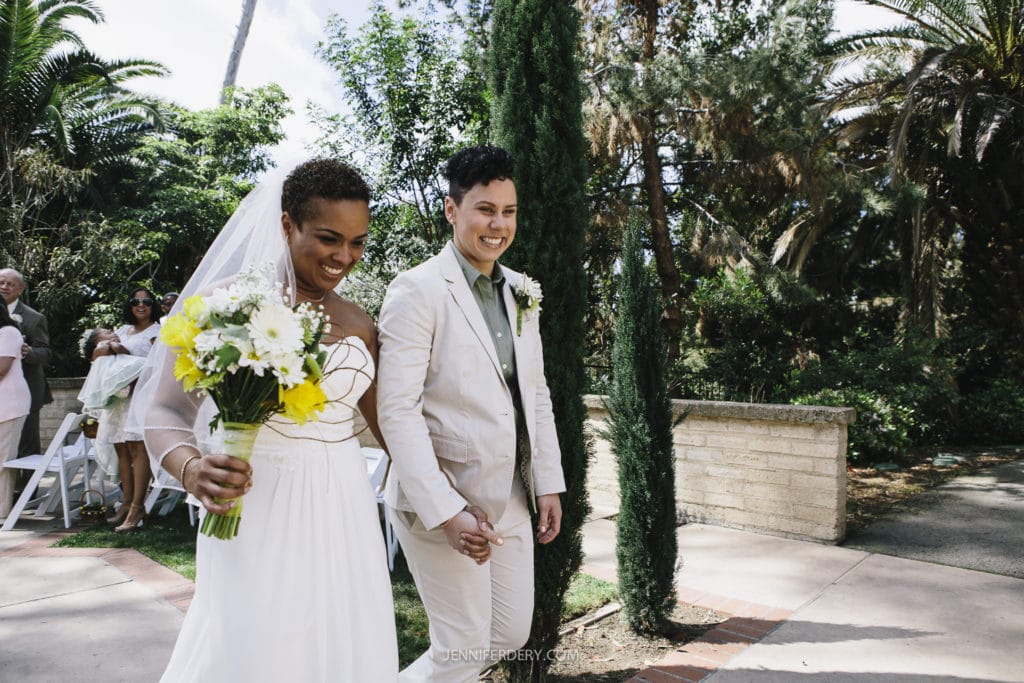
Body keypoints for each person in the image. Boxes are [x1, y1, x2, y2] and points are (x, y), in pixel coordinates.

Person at [132, 159, 403, 681]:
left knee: (343, 640)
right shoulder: (223, 305)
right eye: (329, 238)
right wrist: (192, 469)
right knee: (253, 645)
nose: (344, 257)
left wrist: (456, 488)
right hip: (254, 501)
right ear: (286, 225)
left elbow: (394, 429)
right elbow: (163, 409)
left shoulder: (361, 324)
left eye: (357, 242)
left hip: (344, 506)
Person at [376, 144, 566, 682]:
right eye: (484, 209)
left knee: (509, 633)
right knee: (460, 647)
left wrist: (547, 482)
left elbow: (537, 393)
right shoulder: (417, 290)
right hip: (441, 496)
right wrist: (445, 510)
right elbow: (397, 412)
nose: (497, 225)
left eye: (508, 212)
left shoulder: (522, 291)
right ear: (451, 210)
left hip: (511, 494)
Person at [94, 289, 161, 531]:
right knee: (121, 450)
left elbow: (159, 366)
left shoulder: (158, 332)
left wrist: (123, 354)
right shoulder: (122, 331)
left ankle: (137, 507)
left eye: (146, 301)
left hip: (140, 397)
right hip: (119, 400)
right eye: (135, 301)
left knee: (137, 449)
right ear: (129, 305)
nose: (141, 305)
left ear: (153, 305)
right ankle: (124, 503)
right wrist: (112, 348)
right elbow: (97, 356)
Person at [77, 327, 148, 505]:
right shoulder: (105, 347)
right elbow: (115, 350)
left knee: (131, 450)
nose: (113, 333)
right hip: (118, 406)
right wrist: (114, 345)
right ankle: (127, 500)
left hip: (126, 404)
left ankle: (133, 501)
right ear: (96, 341)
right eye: (107, 332)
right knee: (122, 451)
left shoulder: (110, 350)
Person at [0, 268, 52, 457]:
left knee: (26, 444)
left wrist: (28, 352)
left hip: (25, 390)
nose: (4, 287)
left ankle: (27, 487)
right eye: (1, 282)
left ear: (20, 289)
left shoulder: (33, 318)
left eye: (10, 284)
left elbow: (45, 352)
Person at [0, 305, 32, 520]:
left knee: (3, 460)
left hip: (9, 403)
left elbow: (1, 369)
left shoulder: (8, 332)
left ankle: (1, 512)